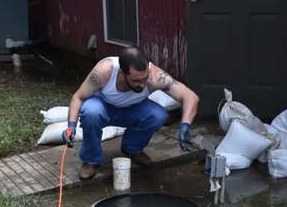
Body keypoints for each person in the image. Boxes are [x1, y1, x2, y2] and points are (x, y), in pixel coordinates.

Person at [63, 46, 200, 180]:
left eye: (144, 79)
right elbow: (78, 97)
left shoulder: (156, 76)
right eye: (136, 80)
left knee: (158, 115)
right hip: (103, 106)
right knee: (91, 112)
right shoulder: (104, 71)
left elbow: (190, 96)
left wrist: (185, 125)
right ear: (122, 73)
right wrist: (71, 126)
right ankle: (91, 159)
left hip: (133, 109)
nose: (141, 84)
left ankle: (133, 149)